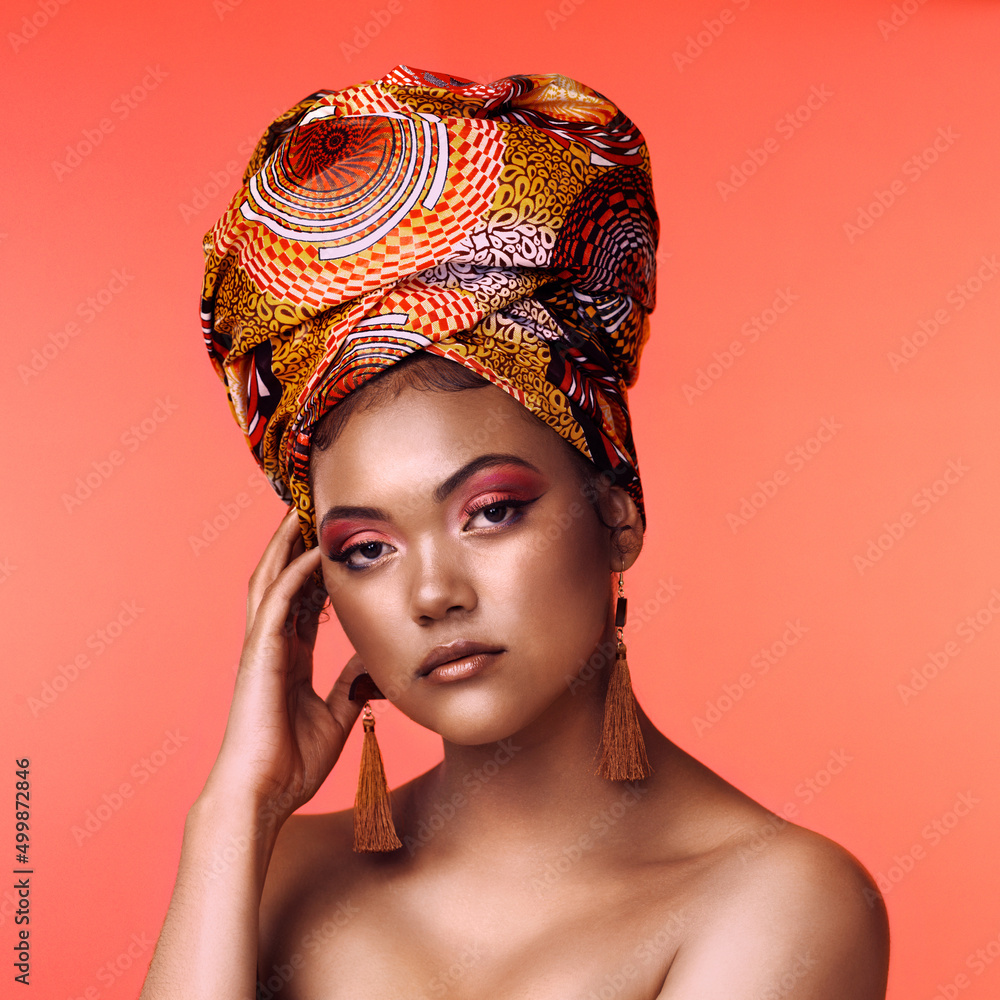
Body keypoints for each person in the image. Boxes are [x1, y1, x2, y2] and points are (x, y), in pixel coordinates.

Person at [140, 66, 890, 999]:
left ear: (617, 513)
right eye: (366, 549)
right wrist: (233, 814)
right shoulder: (275, 875)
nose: (432, 593)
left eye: (490, 511)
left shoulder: (780, 900)